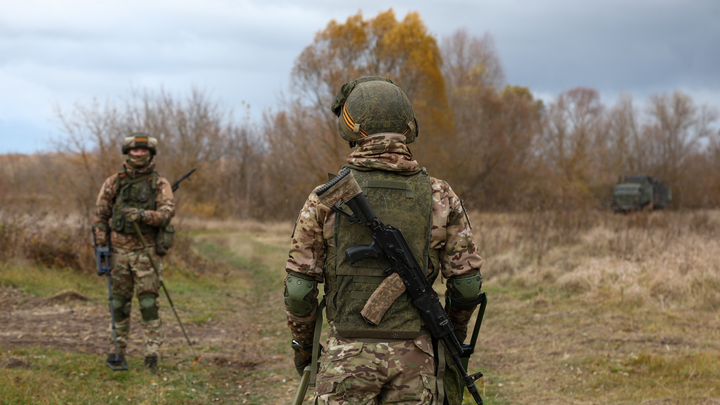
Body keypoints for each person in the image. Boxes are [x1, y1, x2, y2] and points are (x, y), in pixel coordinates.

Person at [284, 77, 484, 404]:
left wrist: (305, 348)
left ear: (352, 128)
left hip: (345, 359)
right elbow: (466, 287)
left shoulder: (324, 199)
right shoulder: (440, 195)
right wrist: (452, 339)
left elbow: (299, 291)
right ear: (408, 129)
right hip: (417, 361)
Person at [92, 133, 175, 373]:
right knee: (118, 304)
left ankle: (152, 356)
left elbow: (167, 214)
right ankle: (117, 353)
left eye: (143, 151)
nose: (138, 155)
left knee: (148, 303)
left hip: (145, 251)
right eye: (134, 151)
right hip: (117, 253)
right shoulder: (113, 182)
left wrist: (142, 215)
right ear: (127, 153)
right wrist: (102, 249)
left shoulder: (160, 183)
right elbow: (100, 217)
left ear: (150, 153)